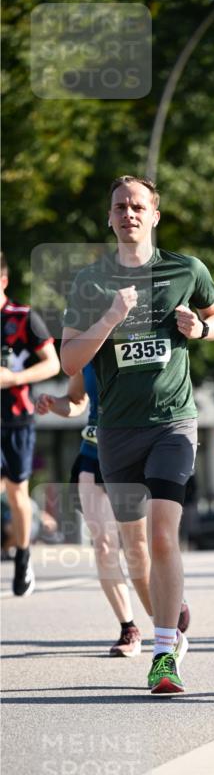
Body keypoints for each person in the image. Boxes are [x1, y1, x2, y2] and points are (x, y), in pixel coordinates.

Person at [60, 175, 214, 694]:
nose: (128, 213)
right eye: (119, 207)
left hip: (173, 421)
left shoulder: (186, 269)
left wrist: (199, 329)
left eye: (138, 206)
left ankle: (162, 655)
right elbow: (69, 359)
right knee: (135, 552)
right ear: (109, 218)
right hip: (116, 428)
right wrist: (111, 317)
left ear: (155, 215)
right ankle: (170, 619)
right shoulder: (90, 282)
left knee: (161, 533)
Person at [35, 364, 156, 656]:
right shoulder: (88, 349)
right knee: (103, 544)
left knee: (137, 548)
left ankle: (164, 616)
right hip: (93, 455)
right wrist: (54, 403)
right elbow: (76, 401)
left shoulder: (137, 339)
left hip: (134, 456)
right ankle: (129, 628)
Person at [1, 251, 60, 596]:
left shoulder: (24, 318)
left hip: (16, 417)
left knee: (16, 492)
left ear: (3, 281)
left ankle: (23, 557)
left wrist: (13, 378)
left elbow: (51, 364)